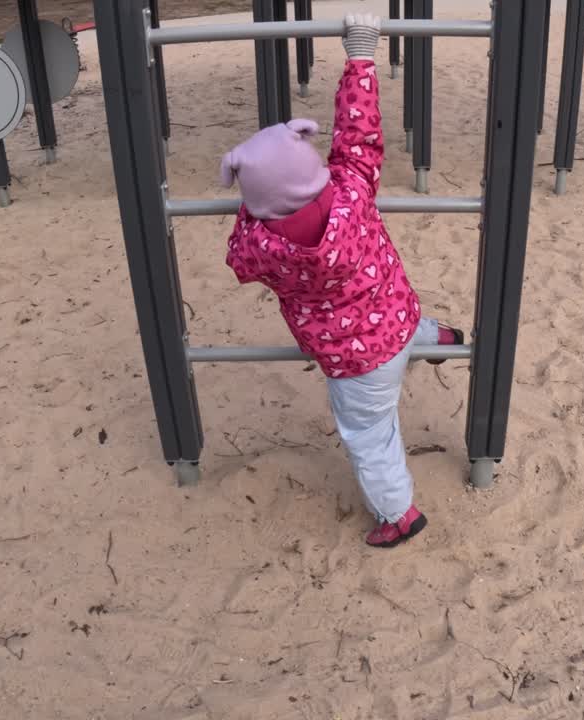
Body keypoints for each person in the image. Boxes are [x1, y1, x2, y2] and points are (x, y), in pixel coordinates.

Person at [219, 14, 460, 548]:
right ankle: (438, 338)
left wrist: (253, 209)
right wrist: (361, 59)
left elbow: (236, 260)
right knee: (401, 321)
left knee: (371, 436)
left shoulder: (261, 246)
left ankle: (399, 514)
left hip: (355, 365)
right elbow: (359, 134)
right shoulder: (352, 187)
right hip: (398, 316)